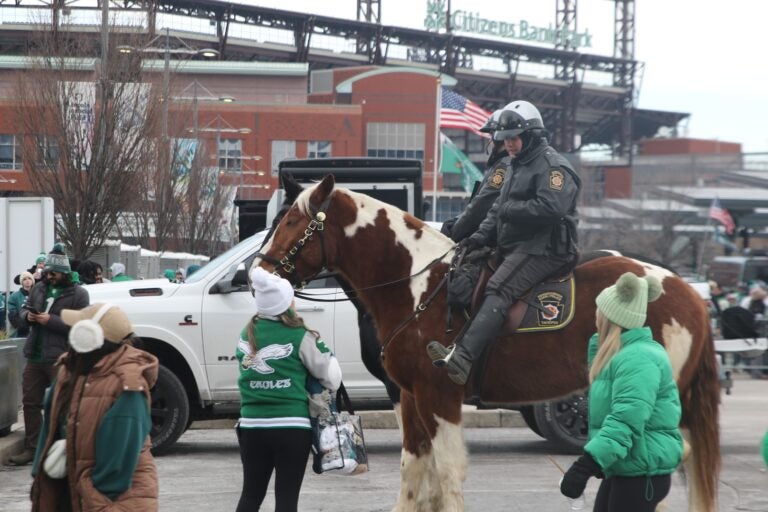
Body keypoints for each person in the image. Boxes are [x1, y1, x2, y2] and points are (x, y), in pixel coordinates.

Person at [428, 100, 581, 385]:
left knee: (499, 287)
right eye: (505, 139)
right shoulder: (516, 165)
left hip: (545, 249)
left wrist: (511, 210)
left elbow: (552, 208)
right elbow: (497, 209)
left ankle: (463, 358)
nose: (508, 144)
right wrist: (476, 238)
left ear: (531, 135)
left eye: (513, 138)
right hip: (516, 245)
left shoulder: (552, 167)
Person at [559, 271, 683, 511]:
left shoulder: (637, 358)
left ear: (611, 317)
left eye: (600, 310)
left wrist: (587, 464)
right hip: (626, 467)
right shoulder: (621, 355)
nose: (596, 315)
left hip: (641, 472)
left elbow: (626, 419)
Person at [30, 303, 159, 511]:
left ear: (89, 336)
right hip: (72, 491)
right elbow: (51, 427)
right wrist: (41, 477)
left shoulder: (127, 385)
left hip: (111, 501)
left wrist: (92, 495)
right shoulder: (70, 369)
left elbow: (115, 469)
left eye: (76, 327)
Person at [235, 267, 341, 512]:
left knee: (250, 495)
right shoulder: (299, 335)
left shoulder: (245, 334)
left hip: (251, 426)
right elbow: (332, 378)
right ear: (286, 303)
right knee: (286, 499)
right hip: (292, 426)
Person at [7, 244, 89, 466]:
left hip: (60, 357)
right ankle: (33, 449)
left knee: (62, 405)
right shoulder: (39, 288)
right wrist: (28, 317)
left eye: (53, 273)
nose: (48, 277)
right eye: (47, 273)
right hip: (35, 355)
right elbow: (24, 308)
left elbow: (81, 324)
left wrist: (50, 321)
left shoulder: (79, 294)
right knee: (31, 403)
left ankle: (64, 448)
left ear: (63, 272)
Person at [441, 109, 510, 243]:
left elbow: (481, 206)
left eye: (491, 134)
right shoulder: (504, 164)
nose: (490, 139)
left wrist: (454, 232)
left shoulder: (503, 167)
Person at [7, 271, 35, 338]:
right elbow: (12, 314)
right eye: (24, 279)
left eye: (29, 278)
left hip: (35, 331)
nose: (27, 281)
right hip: (20, 332)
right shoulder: (14, 296)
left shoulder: (38, 295)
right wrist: (21, 326)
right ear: (21, 282)